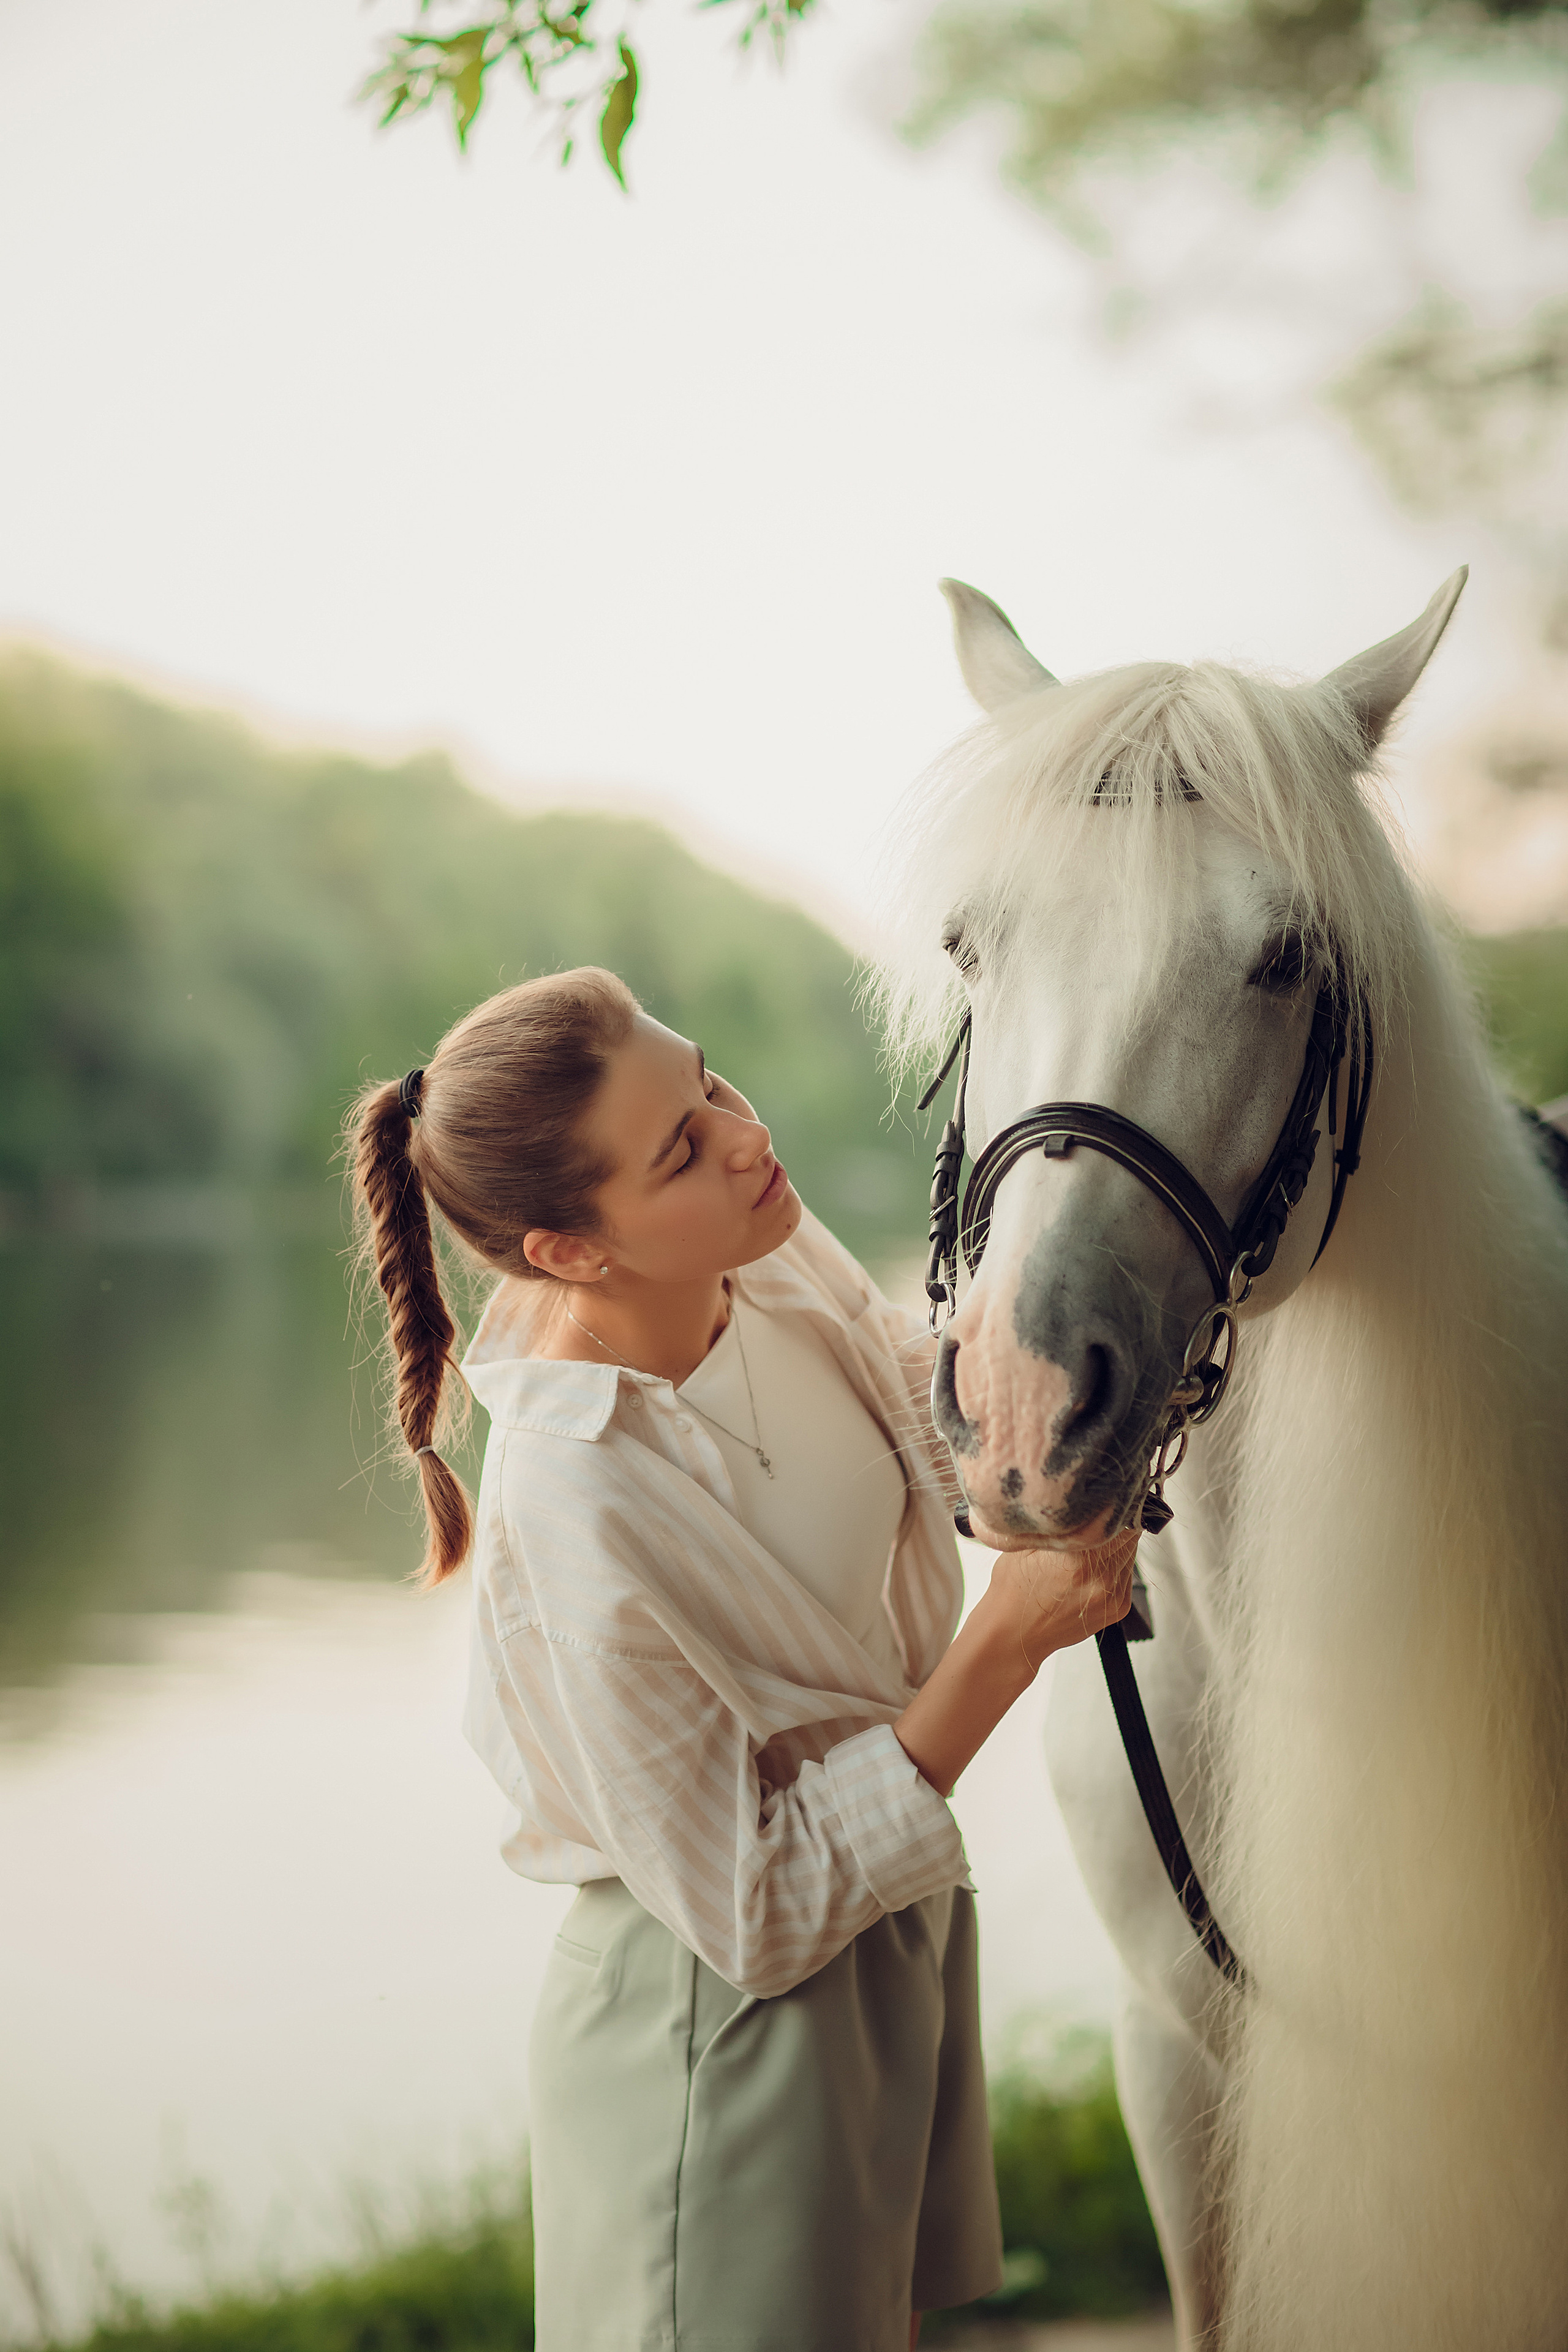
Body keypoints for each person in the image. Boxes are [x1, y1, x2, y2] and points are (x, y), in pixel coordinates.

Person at [349, 967, 1136, 2352]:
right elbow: (755, 1900)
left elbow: (910, 1393)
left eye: (706, 1081)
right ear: (571, 1253)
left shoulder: (749, 1247)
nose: (739, 1133)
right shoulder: (573, 1503)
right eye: (678, 1149)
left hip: (883, 1955)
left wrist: (1080, 1372)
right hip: (710, 2029)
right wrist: (1001, 1641)